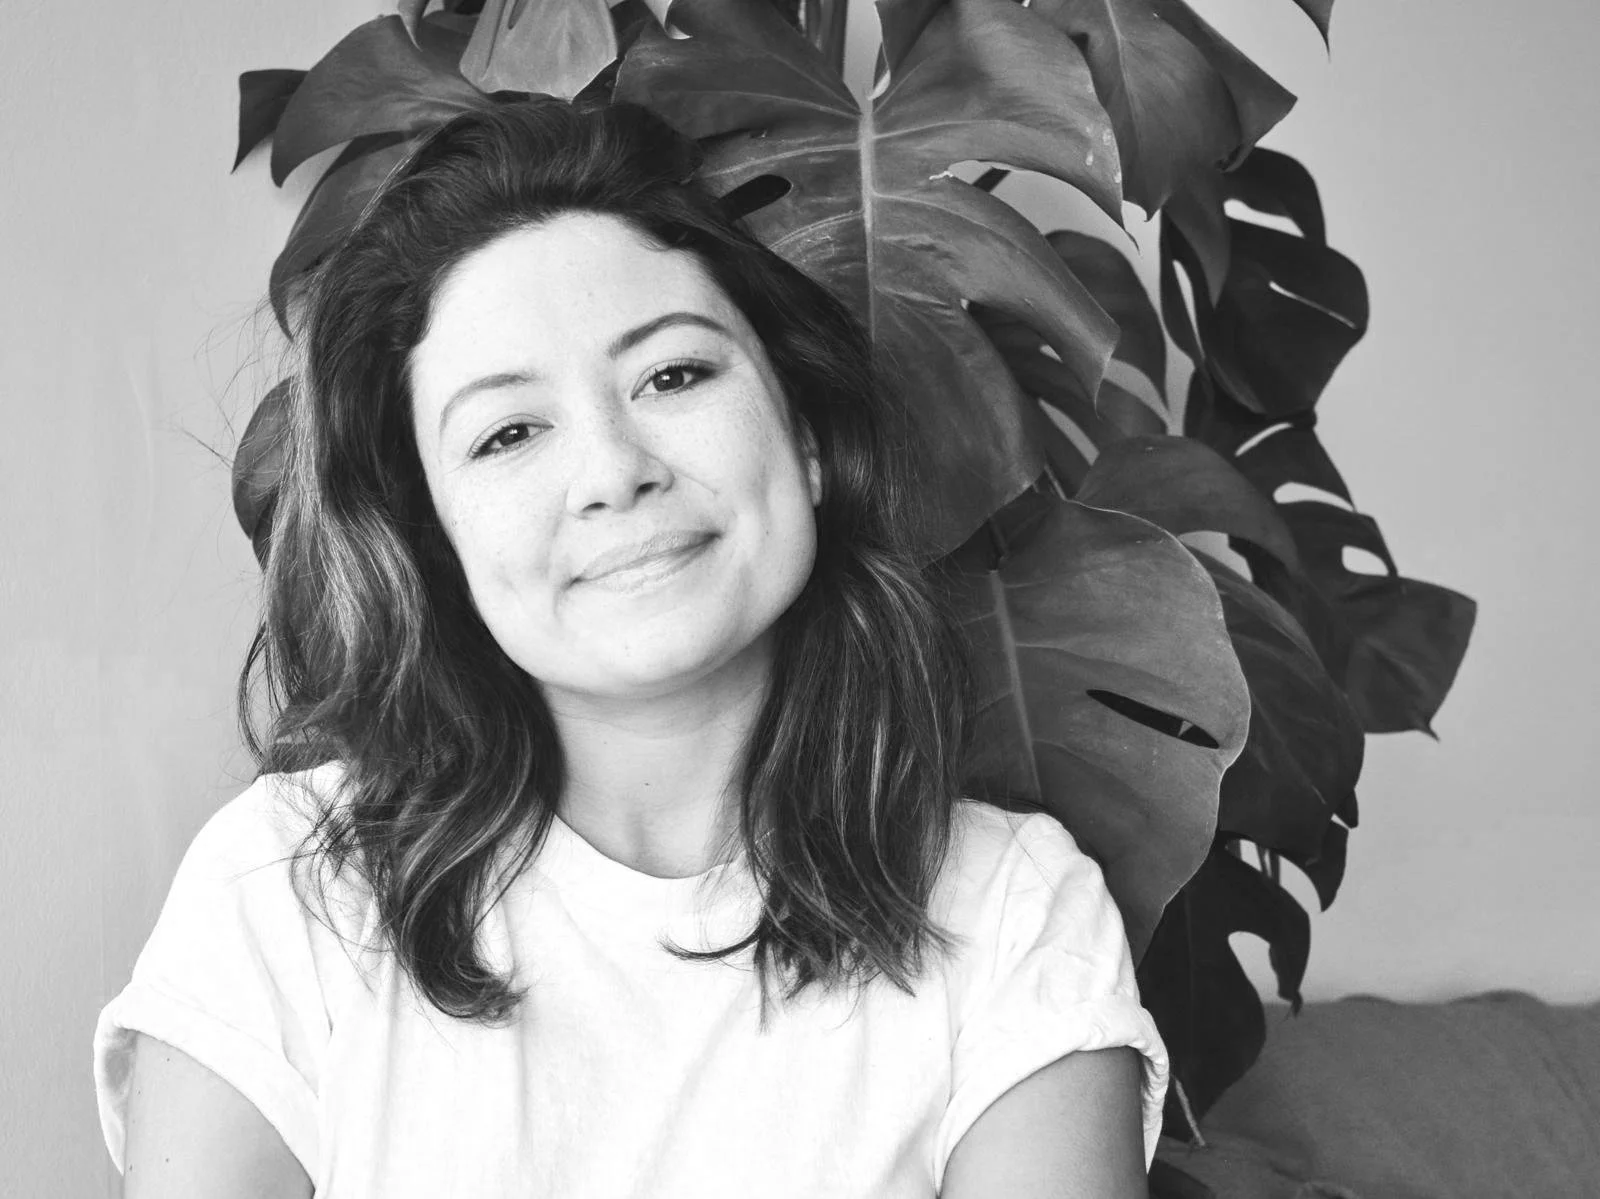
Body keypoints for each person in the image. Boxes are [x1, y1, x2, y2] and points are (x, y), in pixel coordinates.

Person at [93, 96, 1168, 1197]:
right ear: (434, 535)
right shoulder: (282, 889)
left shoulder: (1009, 909)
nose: (614, 468)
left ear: (802, 439)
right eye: (509, 432)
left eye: (674, 375)